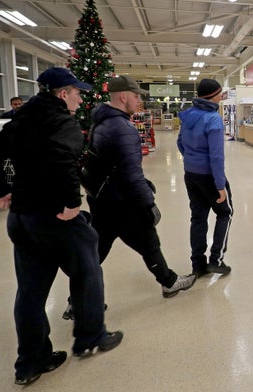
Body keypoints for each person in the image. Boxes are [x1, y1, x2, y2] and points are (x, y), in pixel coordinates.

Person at [0, 67, 122, 386]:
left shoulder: (21, 120)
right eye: (77, 93)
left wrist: (1, 191)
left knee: (30, 291)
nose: (80, 100)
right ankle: (90, 336)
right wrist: (72, 203)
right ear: (62, 93)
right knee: (88, 270)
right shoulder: (61, 122)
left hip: (22, 218)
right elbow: (61, 159)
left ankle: (31, 362)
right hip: (56, 216)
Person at [61, 75, 195, 320]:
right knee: (149, 243)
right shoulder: (123, 128)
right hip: (124, 203)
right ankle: (169, 282)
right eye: (136, 96)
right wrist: (148, 202)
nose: (139, 101)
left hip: (103, 199)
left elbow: (113, 164)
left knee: (98, 250)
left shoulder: (101, 123)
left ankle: (76, 300)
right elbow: (131, 172)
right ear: (123, 96)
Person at [178, 79, 233, 278]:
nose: (221, 96)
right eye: (220, 93)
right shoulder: (213, 118)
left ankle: (198, 264)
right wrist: (220, 185)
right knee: (225, 212)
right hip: (209, 176)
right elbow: (216, 156)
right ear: (213, 95)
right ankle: (216, 260)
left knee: (198, 217)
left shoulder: (187, 115)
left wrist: (191, 159)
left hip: (191, 175)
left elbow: (180, 143)